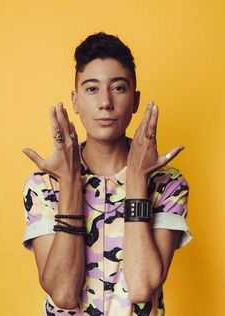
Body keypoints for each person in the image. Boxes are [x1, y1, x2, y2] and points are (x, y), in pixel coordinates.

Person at [22, 32, 193, 316]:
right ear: (75, 102)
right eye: (92, 89)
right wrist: (69, 185)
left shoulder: (168, 184)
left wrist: (137, 180)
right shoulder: (43, 184)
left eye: (118, 88)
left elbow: (141, 287)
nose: (105, 102)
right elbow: (63, 294)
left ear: (135, 100)